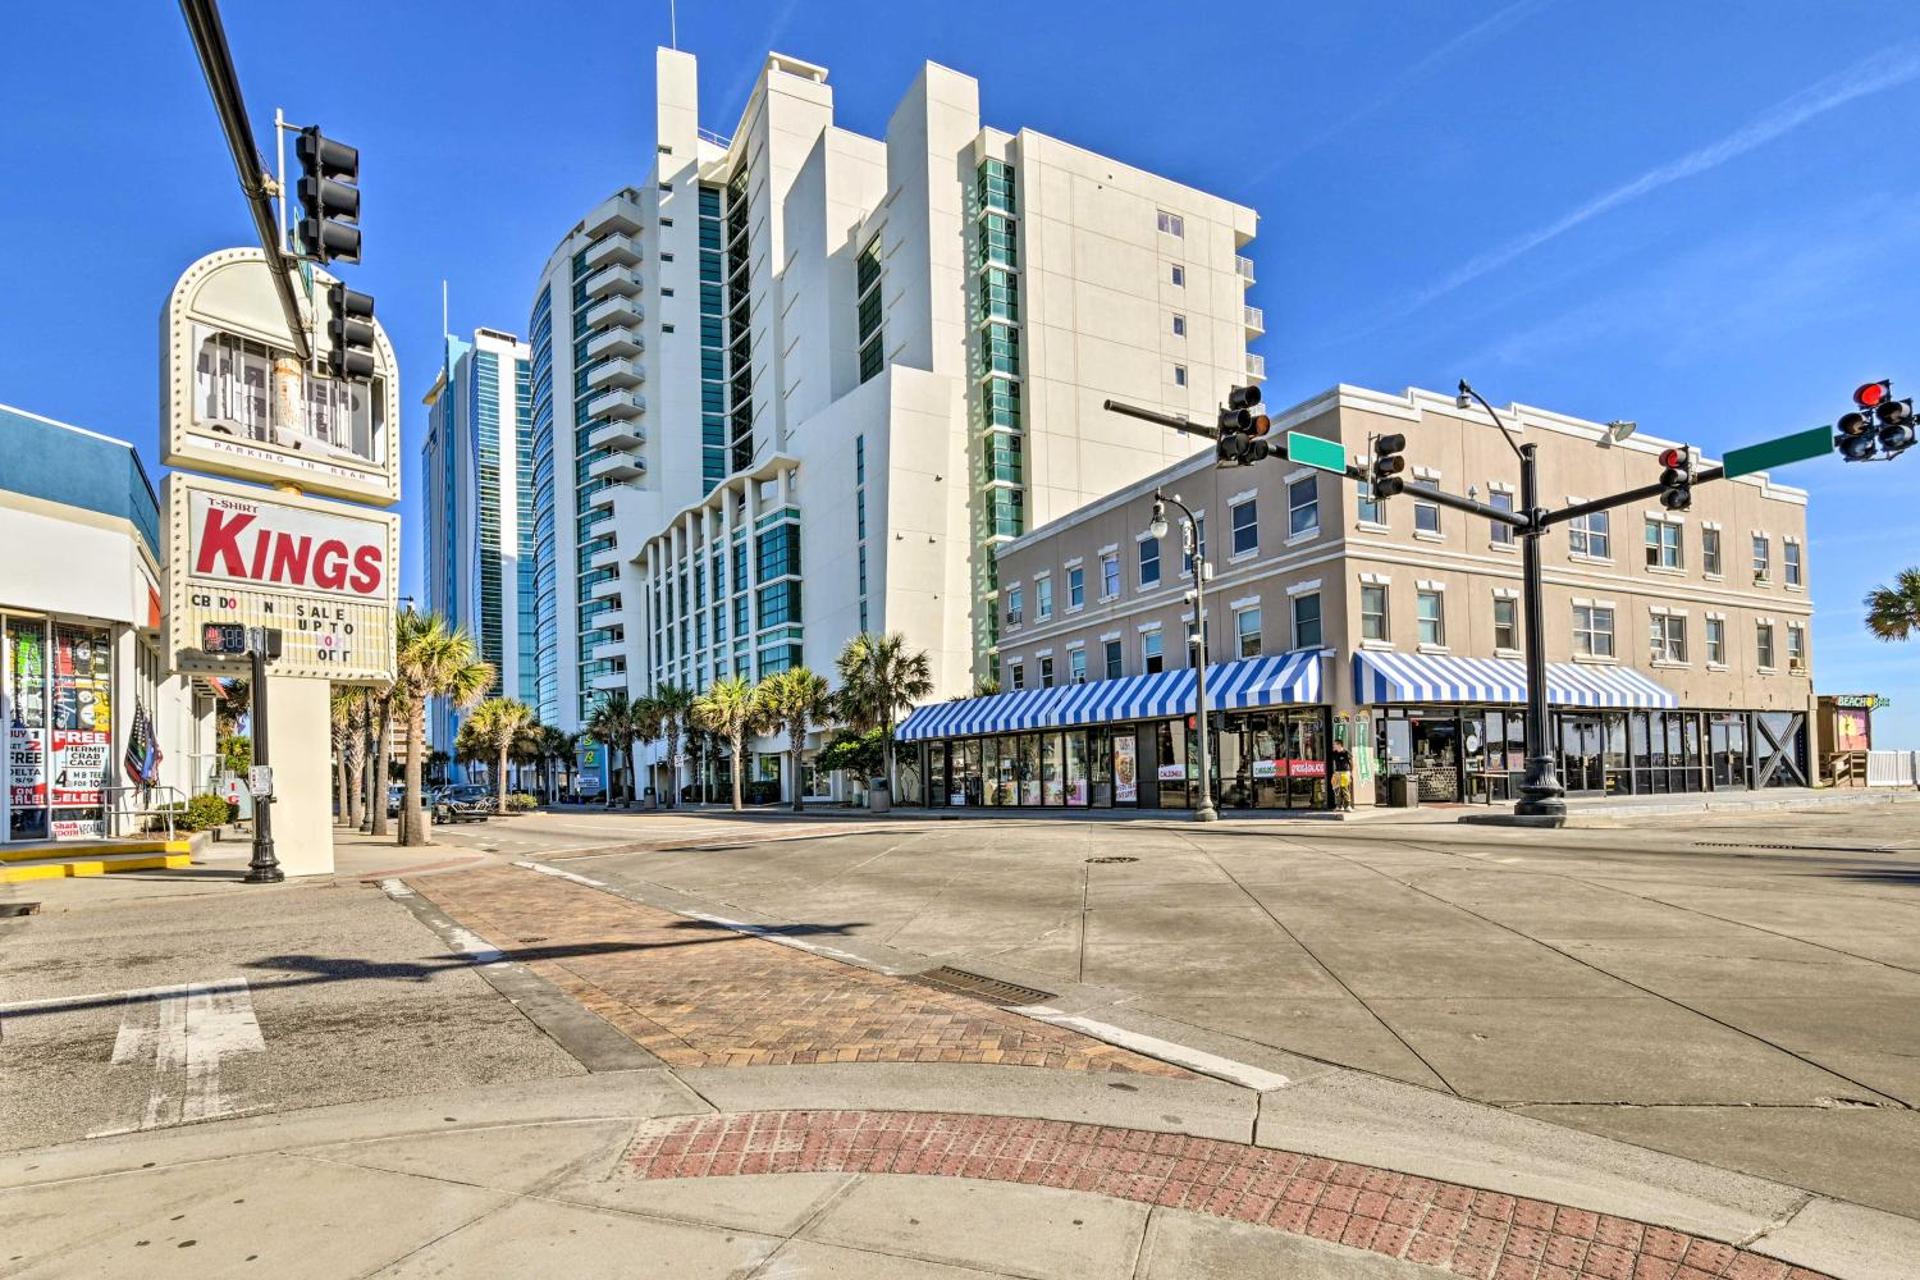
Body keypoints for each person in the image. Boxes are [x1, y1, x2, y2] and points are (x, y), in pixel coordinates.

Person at [1329, 742, 1354, 811]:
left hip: (1345, 772)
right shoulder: (1334, 753)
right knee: (1337, 789)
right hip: (1337, 772)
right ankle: (1339, 806)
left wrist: (1351, 772)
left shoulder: (1346, 752)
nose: (1333, 746)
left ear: (1339, 745)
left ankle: (1347, 805)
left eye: (1335, 745)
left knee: (1345, 789)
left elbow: (1351, 762)